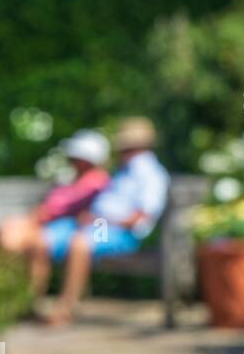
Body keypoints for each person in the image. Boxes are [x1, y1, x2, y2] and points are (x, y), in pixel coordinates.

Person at [38, 117, 170, 326]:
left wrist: (102, 220)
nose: (122, 153)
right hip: (95, 223)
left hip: (119, 232)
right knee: (41, 239)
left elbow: (142, 217)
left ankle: (65, 308)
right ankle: (30, 303)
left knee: (81, 243)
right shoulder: (124, 172)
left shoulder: (152, 175)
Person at [0, 130, 112, 255]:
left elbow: (60, 208)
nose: (71, 160)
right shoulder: (77, 178)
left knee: (27, 239)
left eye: (74, 158)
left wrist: (40, 216)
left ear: (86, 160)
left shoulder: (95, 181)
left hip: (67, 227)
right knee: (10, 227)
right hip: (56, 225)